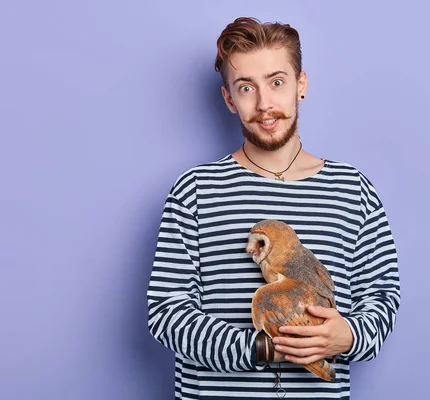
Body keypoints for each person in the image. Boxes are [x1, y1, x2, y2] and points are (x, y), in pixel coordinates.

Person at [147, 16, 401, 399]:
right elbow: (166, 311)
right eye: (246, 87)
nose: (265, 104)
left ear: (301, 85)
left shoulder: (353, 191)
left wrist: (346, 335)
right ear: (229, 99)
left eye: (277, 82)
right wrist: (263, 347)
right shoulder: (196, 191)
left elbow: (382, 298)